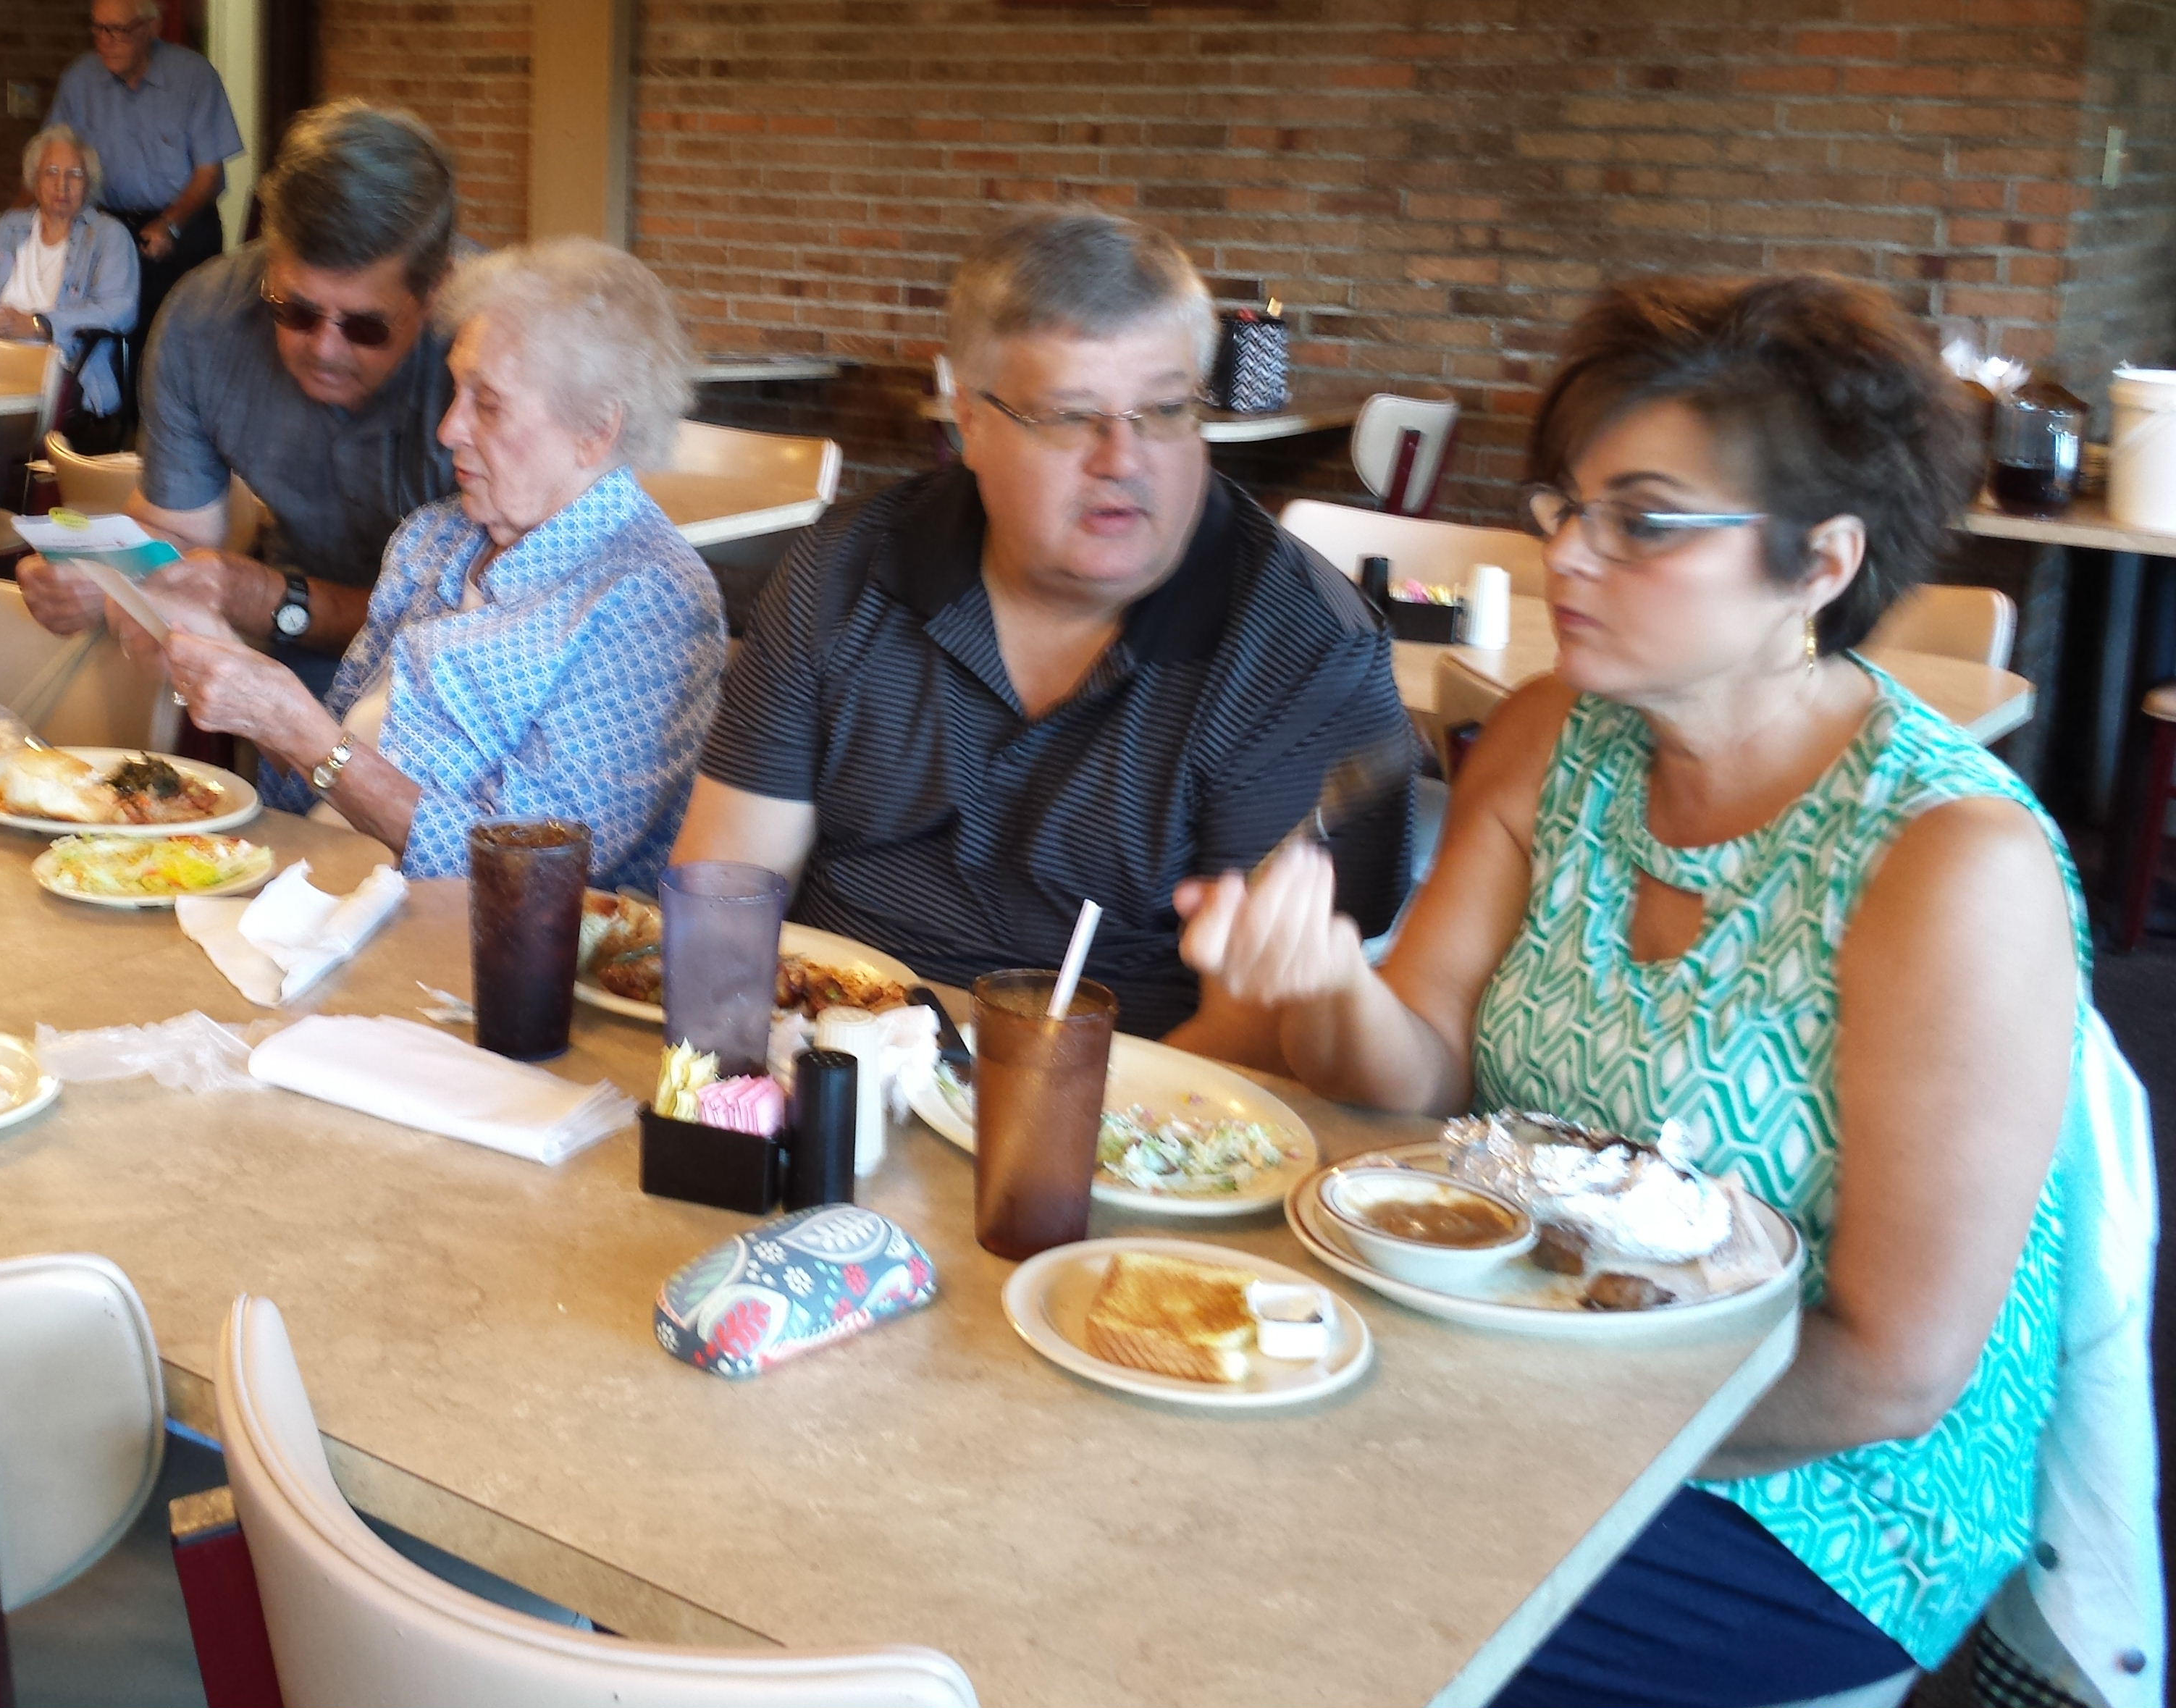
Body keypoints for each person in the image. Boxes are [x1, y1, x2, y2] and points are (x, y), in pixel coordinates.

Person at [1175, 275, 2145, 1706]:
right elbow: (1422, 1062)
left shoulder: (1946, 862)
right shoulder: (1551, 735)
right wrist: (1325, 982)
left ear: (1818, 563)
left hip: (1813, 1498)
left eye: (1640, 521)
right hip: (1510, 1354)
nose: (1565, 552)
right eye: (1565, 505)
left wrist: (1496, 1417)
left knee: (1272, 1585)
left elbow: (1893, 1370)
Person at [667, 207, 1415, 1044]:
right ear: (968, 420)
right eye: (1068, 416)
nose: (1123, 460)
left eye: (1167, 409)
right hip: (817, 1054)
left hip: (1128, 1090)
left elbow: (1257, 1046)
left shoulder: (1302, 647)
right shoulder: (845, 572)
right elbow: (727, 895)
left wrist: (1011, 1108)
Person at [146, 237, 724, 888]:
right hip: (319, 894)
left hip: (463, 940)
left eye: (489, 403)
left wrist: (304, 734)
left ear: (595, 430)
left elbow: (534, 871)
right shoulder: (436, 538)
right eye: (455, 391)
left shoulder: (650, 600)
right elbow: (318, 782)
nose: (449, 429)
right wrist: (229, 668)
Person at [17, 100, 460, 697]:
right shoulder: (206, 322)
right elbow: (180, 528)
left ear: (436, 293)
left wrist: (270, 597)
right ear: (269, 260)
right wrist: (110, 576)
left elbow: (486, 624)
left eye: (365, 327)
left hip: (463, 691)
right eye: (296, 311)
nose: (324, 350)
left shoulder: (493, 361)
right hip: (293, 658)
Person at [47, 0, 241, 340]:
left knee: (183, 336)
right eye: (99, 28)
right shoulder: (80, 81)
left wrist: (170, 224)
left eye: (119, 30)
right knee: (107, 333)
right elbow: (50, 159)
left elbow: (209, 174)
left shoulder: (193, 77)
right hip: (109, 227)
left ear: (151, 28)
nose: (106, 41)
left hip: (184, 224)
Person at [0, 124, 140, 420]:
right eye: (52, 172)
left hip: (63, 369)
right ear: (34, 180)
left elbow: (119, 310)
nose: (62, 185)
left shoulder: (108, 236)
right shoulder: (5, 228)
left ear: (89, 184)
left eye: (75, 174)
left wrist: (40, 325)